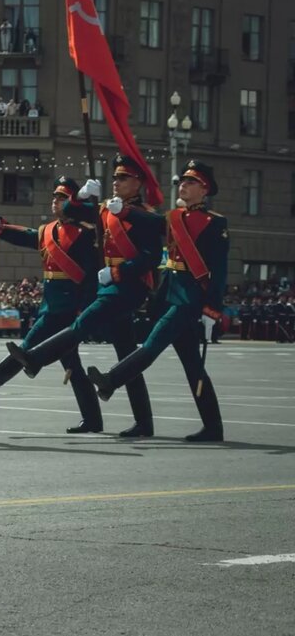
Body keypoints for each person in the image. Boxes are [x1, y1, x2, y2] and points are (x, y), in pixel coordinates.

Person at [6, 154, 164, 437]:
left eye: (123, 178)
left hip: (130, 286)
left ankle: (35, 358)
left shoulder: (147, 216)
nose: (116, 182)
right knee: (127, 355)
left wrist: (118, 272)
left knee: (82, 324)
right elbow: (72, 211)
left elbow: (150, 258)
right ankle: (144, 422)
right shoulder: (105, 209)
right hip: (110, 286)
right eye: (114, 177)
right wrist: (81, 196)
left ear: (137, 183)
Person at [87, 161, 227, 441]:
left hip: (189, 298)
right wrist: (122, 210)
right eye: (182, 182)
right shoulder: (174, 217)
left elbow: (220, 270)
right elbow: (149, 221)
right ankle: (213, 427)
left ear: (204, 189)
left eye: (190, 183)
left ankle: (112, 380)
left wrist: (212, 309)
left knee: (152, 345)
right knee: (192, 364)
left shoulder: (215, 222)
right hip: (170, 294)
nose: (183, 186)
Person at [0, 177, 103, 433]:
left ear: (74, 202)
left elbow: (89, 275)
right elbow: (26, 237)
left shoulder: (86, 235)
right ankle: (93, 419)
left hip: (69, 307)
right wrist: (0, 228)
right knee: (69, 365)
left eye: (62, 197)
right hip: (51, 304)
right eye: (54, 197)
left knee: (29, 348)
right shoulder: (48, 231)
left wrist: (83, 309)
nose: (56, 202)